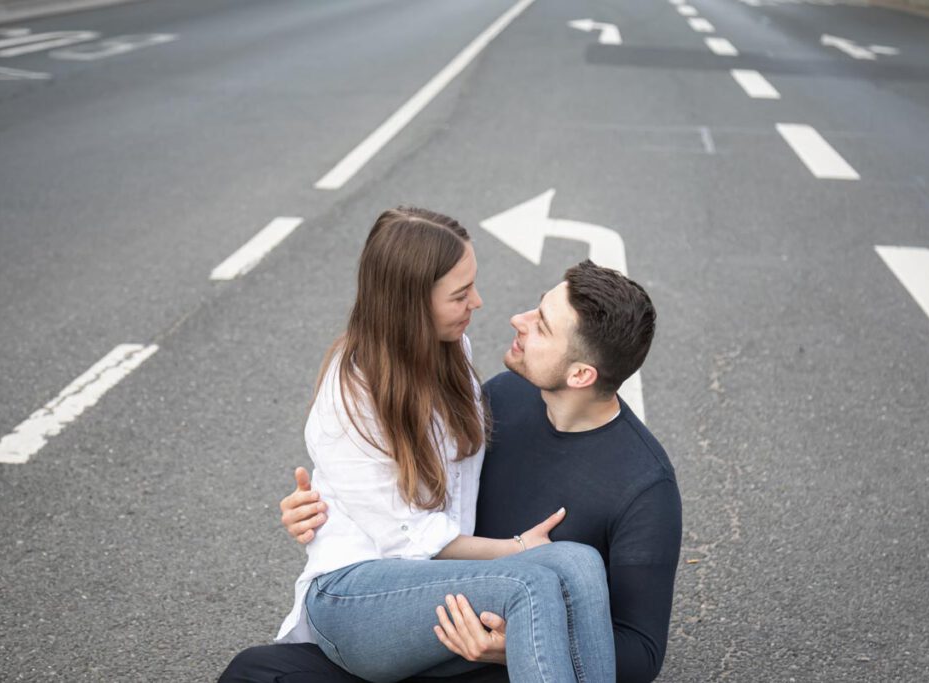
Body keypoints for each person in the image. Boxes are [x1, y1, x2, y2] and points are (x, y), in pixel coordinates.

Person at [220, 259, 682, 683]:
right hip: (421, 622)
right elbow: (401, 485)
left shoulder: (644, 485)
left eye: (540, 326)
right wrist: (325, 503)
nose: (517, 320)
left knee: (559, 574)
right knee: (254, 673)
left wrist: (509, 646)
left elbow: (640, 652)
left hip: (502, 662)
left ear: (580, 375)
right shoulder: (501, 399)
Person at [265, 207, 617, 683]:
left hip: (427, 581)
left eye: (472, 284)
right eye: (459, 294)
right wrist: (514, 549)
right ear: (410, 304)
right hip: (352, 597)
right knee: (530, 582)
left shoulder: (451, 348)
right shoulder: (350, 395)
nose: (478, 301)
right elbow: (412, 541)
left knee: (580, 562)